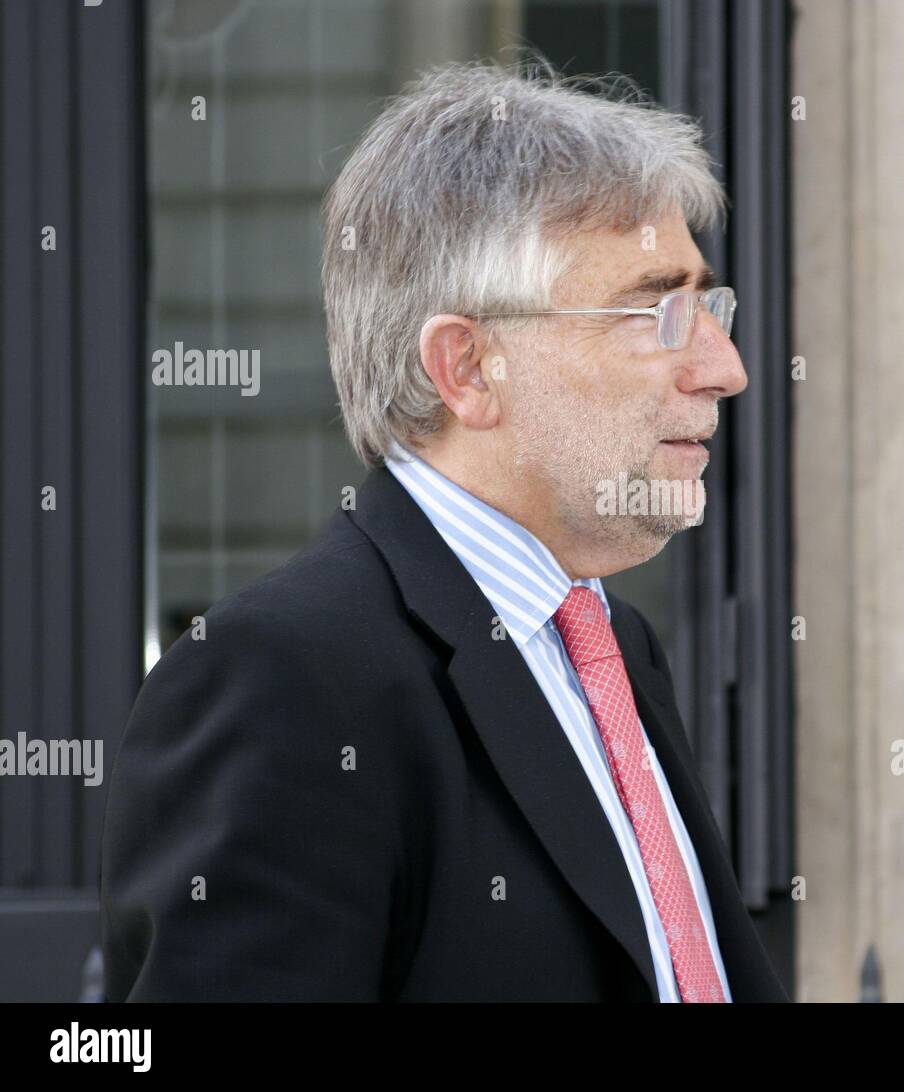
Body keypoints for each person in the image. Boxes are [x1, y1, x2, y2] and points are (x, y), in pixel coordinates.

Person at [99, 59, 788, 1002]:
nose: (724, 366)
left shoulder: (610, 643)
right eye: (653, 309)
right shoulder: (283, 679)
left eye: (707, 305)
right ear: (467, 367)